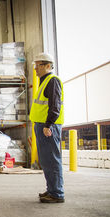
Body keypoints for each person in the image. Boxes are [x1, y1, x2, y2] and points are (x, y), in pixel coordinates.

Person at [29, 53, 65, 203]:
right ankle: (51, 190)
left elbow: (55, 106)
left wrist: (48, 124)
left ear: (48, 66)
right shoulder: (44, 82)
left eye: (38, 65)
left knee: (52, 159)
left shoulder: (53, 81)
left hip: (48, 127)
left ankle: (57, 193)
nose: (35, 68)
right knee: (46, 160)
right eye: (35, 65)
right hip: (42, 126)